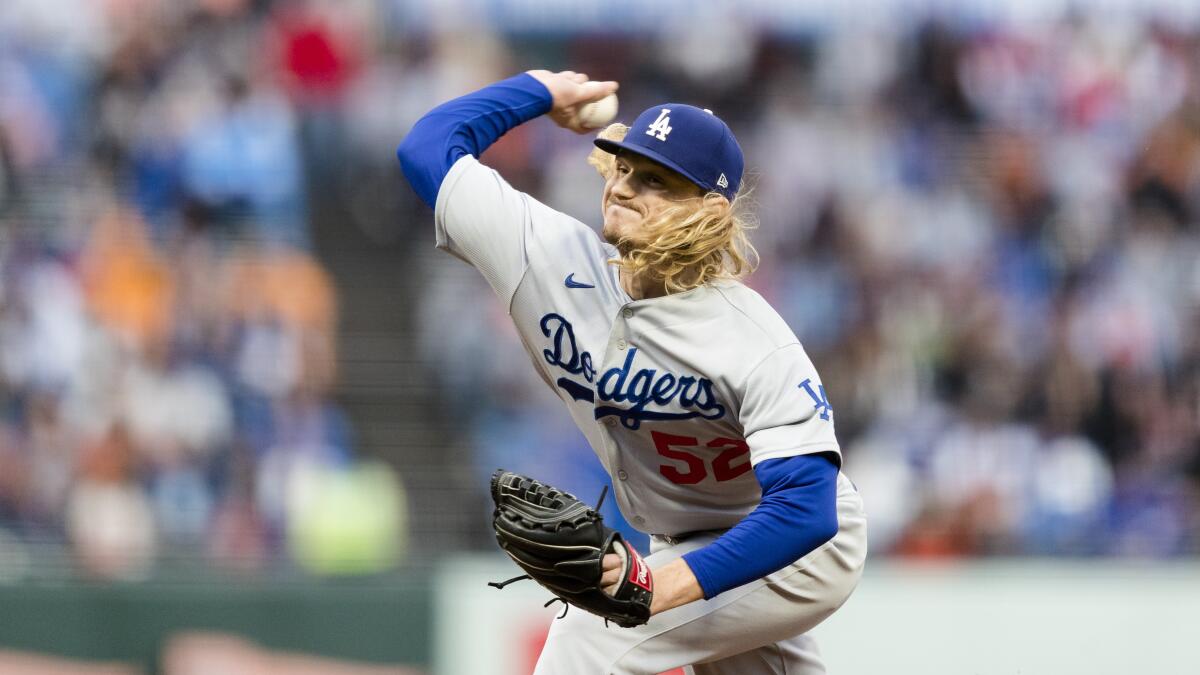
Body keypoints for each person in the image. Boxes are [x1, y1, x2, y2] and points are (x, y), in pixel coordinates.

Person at [398, 70, 867, 675]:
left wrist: (659, 586)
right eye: (623, 169)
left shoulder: (752, 339)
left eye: (655, 181)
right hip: (682, 538)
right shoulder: (544, 256)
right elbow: (427, 147)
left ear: (709, 211)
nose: (623, 188)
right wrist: (540, 90)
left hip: (794, 548)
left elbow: (807, 508)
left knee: (592, 630)